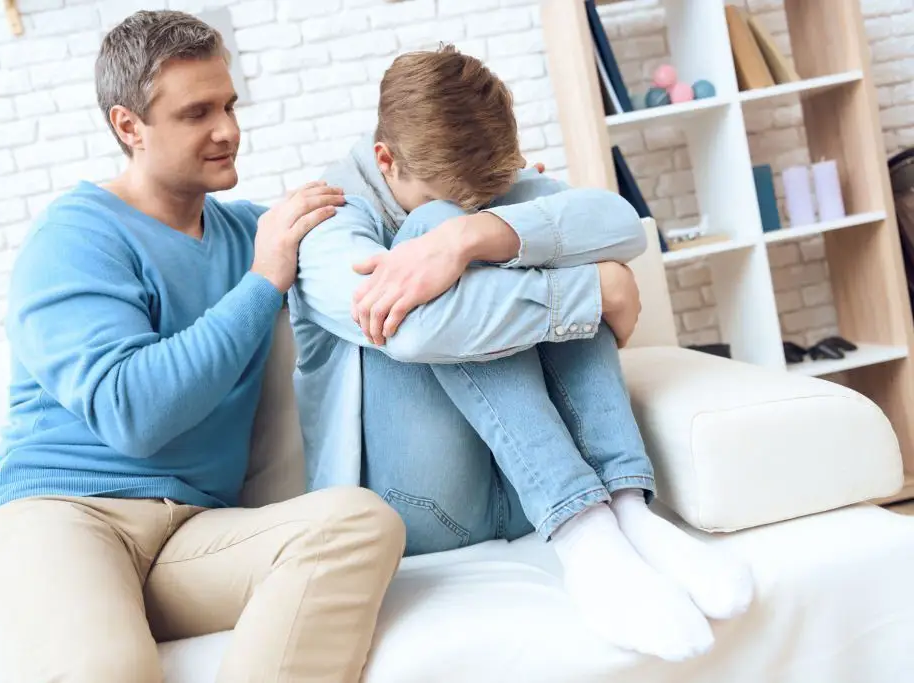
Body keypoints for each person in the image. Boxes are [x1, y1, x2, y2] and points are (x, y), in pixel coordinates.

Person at [0, 10, 405, 683]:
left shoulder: (252, 232)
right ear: (128, 127)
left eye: (228, 104)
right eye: (198, 112)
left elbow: (390, 227)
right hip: (56, 513)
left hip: (188, 530)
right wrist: (263, 282)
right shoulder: (75, 236)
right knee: (108, 670)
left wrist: (482, 225)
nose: (228, 129)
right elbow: (131, 411)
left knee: (357, 522)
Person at [289, 45, 755, 662]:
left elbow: (618, 224)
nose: (477, 207)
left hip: (522, 491)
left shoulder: (486, 188)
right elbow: (417, 331)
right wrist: (596, 288)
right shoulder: (328, 220)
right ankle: (585, 536)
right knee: (437, 233)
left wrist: (473, 235)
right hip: (425, 512)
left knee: (512, 237)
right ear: (385, 160)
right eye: (466, 203)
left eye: (485, 199)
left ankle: (625, 511)